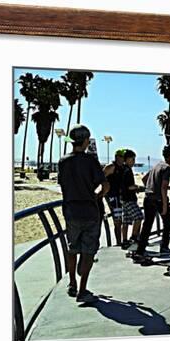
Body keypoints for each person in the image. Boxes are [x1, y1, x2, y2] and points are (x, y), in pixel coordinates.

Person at [57, 125, 109, 303]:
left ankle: (71, 282)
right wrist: (96, 196)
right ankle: (82, 289)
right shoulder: (90, 161)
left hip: (70, 211)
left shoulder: (63, 161)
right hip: (90, 212)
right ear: (86, 141)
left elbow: (63, 185)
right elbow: (105, 185)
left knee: (72, 249)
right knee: (88, 252)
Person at [134, 145, 170, 261]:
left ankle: (140, 250)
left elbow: (144, 179)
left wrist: (150, 188)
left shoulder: (157, 165)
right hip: (159, 200)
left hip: (148, 198)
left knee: (147, 225)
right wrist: (164, 204)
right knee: (168, 222)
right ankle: (164, 247)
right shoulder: (167, 168)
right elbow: (164, 188)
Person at [120, 149, 144, 249]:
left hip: (123, 198)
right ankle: (133, 238)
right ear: (127, 159)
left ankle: (124, 241)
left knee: (125, 221)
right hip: (129, 199)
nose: (133, 161)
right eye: (132, 159)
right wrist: (138, 187)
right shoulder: (127, 170)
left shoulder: (122, 169)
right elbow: (129, 186)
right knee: (139, 217)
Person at [103, 149, 126, 245]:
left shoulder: (123, 168)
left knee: (120, 219)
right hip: (112, 196)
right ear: (117, 157)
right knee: (117, 220)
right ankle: (118, 242)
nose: (123, 160)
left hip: (120, 196)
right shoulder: (111, 167)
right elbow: (101, 177)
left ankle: (121, 241)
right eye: (122, 157)